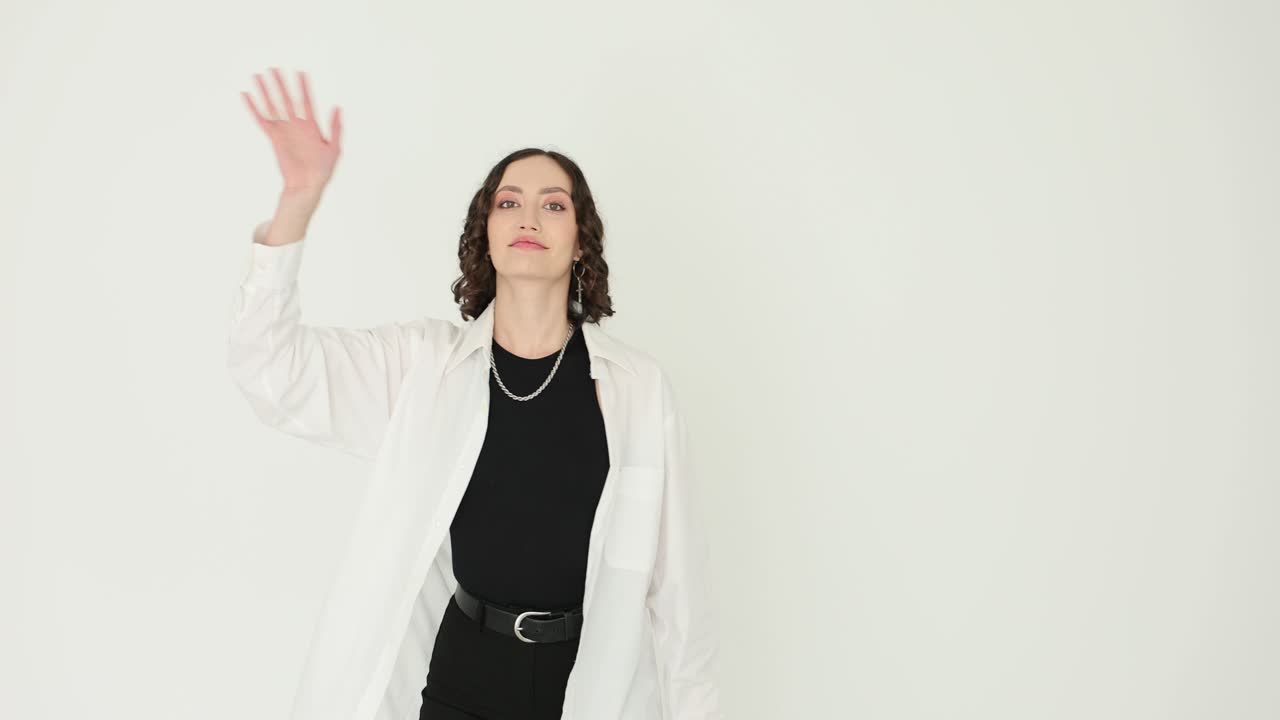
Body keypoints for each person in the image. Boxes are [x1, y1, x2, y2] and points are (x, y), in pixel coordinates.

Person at [230, 68, 723, 720]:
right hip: (465, 673)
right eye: (508, 202)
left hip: (589, 681)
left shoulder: (636, 390)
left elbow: (679, 595)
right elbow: (273, 371)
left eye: (554, 204)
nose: (529, 216)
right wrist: (298, 202)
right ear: (485, 234)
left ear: (581, 243)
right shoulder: (424, 365)